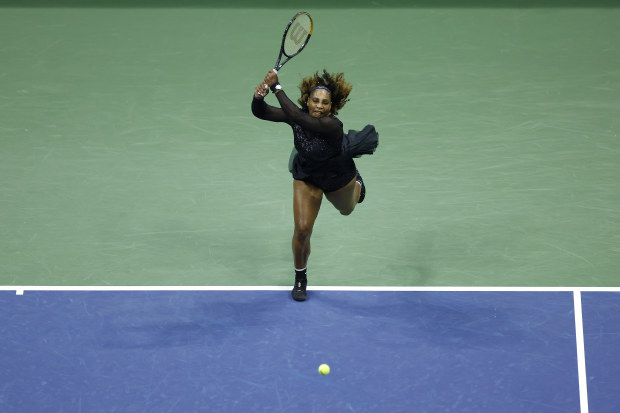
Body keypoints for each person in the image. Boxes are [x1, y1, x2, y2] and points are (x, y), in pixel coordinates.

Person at [251, 69, 378, 302]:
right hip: (307, 175)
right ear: (307, 101)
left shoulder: (332, 126)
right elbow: (262, 113)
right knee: (301, 230)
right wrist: (259, 98)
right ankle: (300, 278)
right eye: (315, 100)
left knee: (347, 209)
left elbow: (301, 119)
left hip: (336, 176)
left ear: (332, 107)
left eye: (325, 103)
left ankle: (357, 182)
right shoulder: (296, 114)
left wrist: (277, 87)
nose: (319, 106)